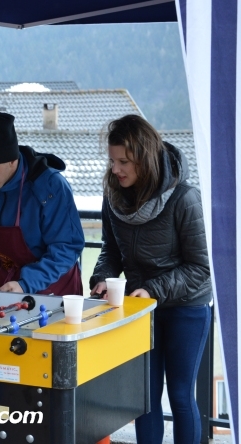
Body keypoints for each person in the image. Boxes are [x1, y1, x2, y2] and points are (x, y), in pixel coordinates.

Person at [89, 114, 211, 443]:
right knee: (144, 398)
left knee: (182, 397)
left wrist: (152, 289)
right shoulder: (113, 197)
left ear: (145, 158)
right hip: (141, 307)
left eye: (124, 162)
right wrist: (102, 277)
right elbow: (110, 250)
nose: (115, 170)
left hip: (187, 307)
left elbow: (201, 267)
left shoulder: (185, 198)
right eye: (112, 161)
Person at [0, 110, 84, 294]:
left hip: (53, 286)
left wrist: (26, 283)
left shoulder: (50, 186)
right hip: (5, 283)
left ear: (12, 161)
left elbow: (66, 247)